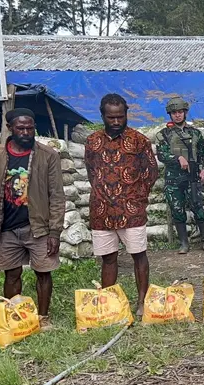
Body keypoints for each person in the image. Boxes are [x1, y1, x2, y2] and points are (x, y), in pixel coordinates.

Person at [85, 94, 158, 316]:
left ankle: (142, 302)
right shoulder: (92, 141)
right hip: (101, 211)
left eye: (120, 116)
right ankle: (109, 304)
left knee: (138, 254)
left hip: (131, 211)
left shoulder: (139, 140)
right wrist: (103, 193)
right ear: (102, 116)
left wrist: (137, 197)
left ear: (126, 114)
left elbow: (151, 171)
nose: (116, 121)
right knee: (108, 258)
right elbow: (91, 172)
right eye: (111, 117)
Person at [0, 108, 64, 329]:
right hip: (7, 227)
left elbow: (57, 195)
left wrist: (54, 232)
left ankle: (43, 318)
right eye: (21, 128)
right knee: (11, 273)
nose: (26, 132)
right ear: (10, 128)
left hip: (38, 226)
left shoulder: (48, 155)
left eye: (30, 128)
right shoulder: (1, 155)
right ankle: (13, 317)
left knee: (43, 273)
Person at [155, 96, 204, 254]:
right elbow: (161, 155)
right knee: (177, 210)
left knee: (199, 208)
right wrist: (178, 158)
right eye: (174, 113)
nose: (177, 115)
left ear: (185, 112)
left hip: (193, 177)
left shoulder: (195, 133)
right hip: (174, 179)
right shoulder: (163, 134)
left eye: (180, 112)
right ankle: (183, 243)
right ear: (170, 114)